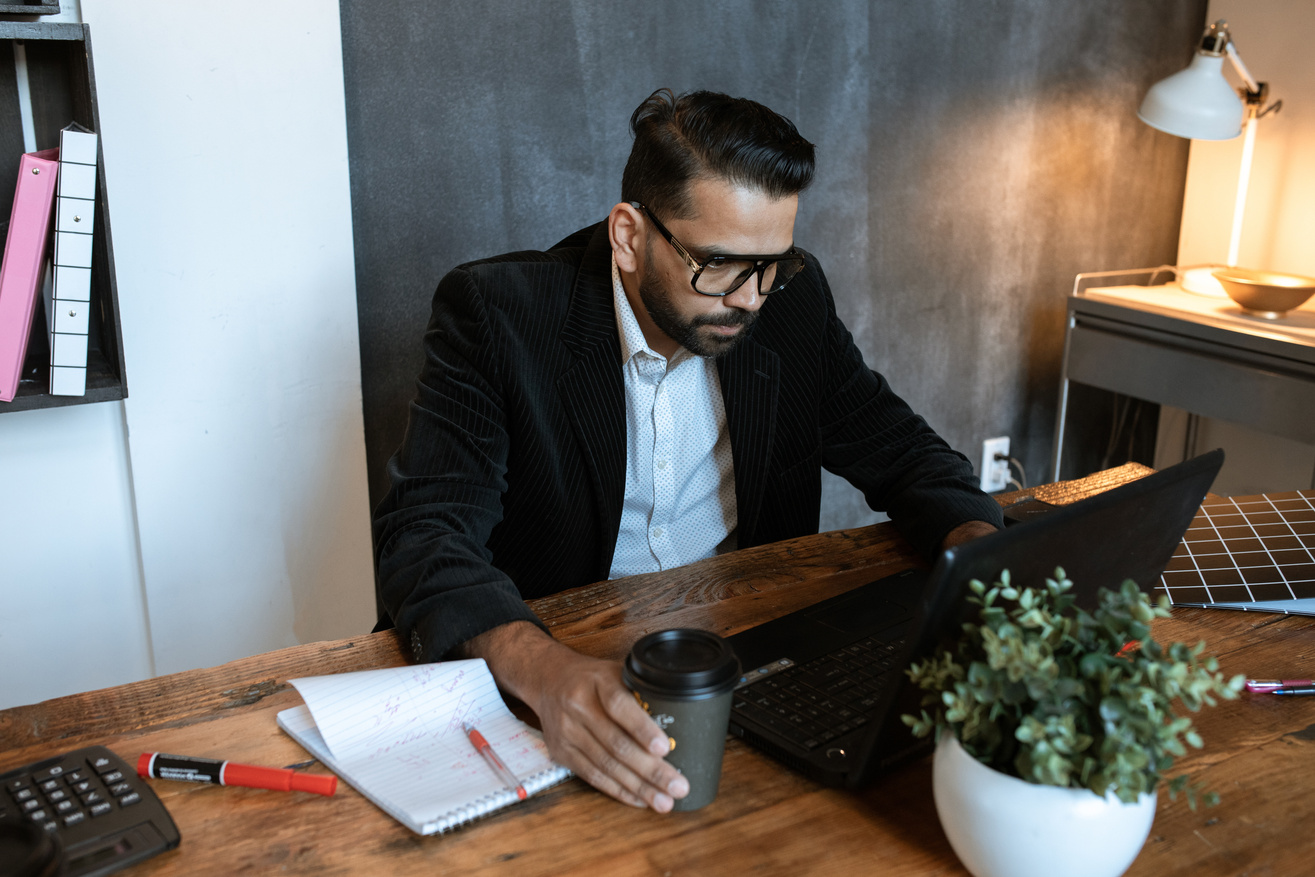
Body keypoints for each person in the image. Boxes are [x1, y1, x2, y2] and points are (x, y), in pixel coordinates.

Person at [372, 88, 1003, 813]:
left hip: (749, 665)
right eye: (722, 265)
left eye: (773, 263)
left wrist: (982, 563)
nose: (750, 298)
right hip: (556, 671)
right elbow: (423, 532)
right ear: (629, 235)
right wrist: (546, 672)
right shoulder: (500, 314)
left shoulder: (788, 301)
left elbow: (901, 449)